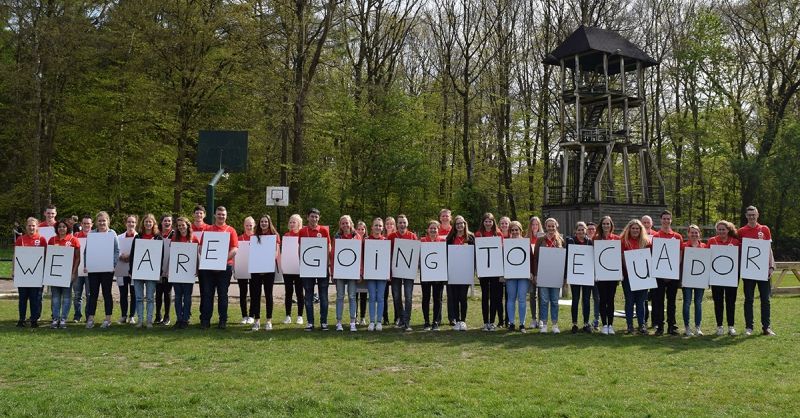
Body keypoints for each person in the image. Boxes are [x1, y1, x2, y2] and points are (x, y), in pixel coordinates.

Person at [738, 205, 776, 336]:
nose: (751, 217)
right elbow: (739, 251)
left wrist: (771, 266)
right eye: (749, 215)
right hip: (748, 271)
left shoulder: (764, 229)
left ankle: (766, 327)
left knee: (765, 299)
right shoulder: (741, 231)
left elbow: (769, 249)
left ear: (757, 215)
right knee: (749, 299)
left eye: (753, 214)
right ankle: (749, 327)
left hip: (764, 271)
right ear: (746, 216)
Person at [198, 206, 238, 329]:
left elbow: (235, 249)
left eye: (223, 214)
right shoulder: (208, 229)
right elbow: (201, 247)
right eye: (219, 214)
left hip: (225, 267)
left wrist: (220, 261)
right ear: (215, 215)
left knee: (222, 294)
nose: (221, 216)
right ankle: (205, 321)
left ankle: (223, 321)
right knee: (207, 294)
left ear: (226, 216)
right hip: (208, 269)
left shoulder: (231, 230)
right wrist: (210, 261)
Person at [125, 213, 163, 328]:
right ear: (143, 223)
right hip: (138, 272)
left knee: (151, 298)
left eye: (150, 222)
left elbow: (160, 256)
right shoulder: (138, 237)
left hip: (152, 272)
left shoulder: (158, 237)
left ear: (154, 223)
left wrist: (159, 272)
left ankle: (149, 321)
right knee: (139, 297)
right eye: (146, 221)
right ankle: (140, 320)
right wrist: (131, 270)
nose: (148, 224)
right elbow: (132, 255)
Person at [84, 211, 120, 329]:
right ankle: (90, 319)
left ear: (108, 221)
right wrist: (86, 264)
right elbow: (86, 251)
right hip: (94, 269)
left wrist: (113, 264)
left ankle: (108, 319)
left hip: (107, 270)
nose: (101, 223)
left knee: (107, 294)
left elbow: (116, 250)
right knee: (92, 294)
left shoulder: (112, 233)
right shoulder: (92, 233)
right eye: (99, 221)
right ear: (96, 222)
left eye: (104, 220)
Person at [651, 210, 683, 336]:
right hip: (659, 276)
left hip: (672, 276)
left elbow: (679, 257)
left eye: (668, 219)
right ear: (661, 220)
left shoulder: (677, 236)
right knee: (659, 301)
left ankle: (672, 326)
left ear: (671, 220)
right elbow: (654, 256)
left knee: (671, 301)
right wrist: (662, 273)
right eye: (664, 218)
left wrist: (671, 272)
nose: (666, 221)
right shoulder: (656, 237)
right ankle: (659, 326)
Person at [299, 208, 331, 331]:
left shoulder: (323, 230)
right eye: (312, 216)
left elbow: (328, 247)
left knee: (323, 295)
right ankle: (310, 322)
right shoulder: (302, 231)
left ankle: (324, 322)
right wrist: (302, 263)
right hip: (308, 269)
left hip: (322, 268)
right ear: (308, 217)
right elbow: (300, 248)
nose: (314, 219)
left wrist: (327, 263)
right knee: (308, 295)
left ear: (319, 218)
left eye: (316, 217)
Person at [532, 218, 565, 334]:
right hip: (543, 275)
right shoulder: (540, 240)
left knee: (555, 301)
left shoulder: (560, 240)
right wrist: (535, 274)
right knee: (544, 300)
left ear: (556, 226)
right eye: (549, 226)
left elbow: (563, 260)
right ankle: (544, 324)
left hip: (556, 276)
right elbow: (535, 259)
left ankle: (555, 324)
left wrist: (563, 276)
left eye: (553, 226)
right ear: (546, 227)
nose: (551, 228)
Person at [707, 220, 740, 336]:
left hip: (731, 276)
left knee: (731, 301)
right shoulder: (712, 241)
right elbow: (706, 258)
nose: (721, 231)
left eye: (723, 229)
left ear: (728, 230)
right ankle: (719, 326)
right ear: (716, 230)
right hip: (716, 277)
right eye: (719, 229)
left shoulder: (735, 242)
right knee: (718, 302)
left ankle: (731, 326)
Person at [14, 217, 47, 328]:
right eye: (29, 225)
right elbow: (15, 255)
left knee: (35, 298)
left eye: (33, 225)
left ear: (37, 226)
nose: (31, 227)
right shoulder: (20, 240)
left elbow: (46, 256)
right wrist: (13, 269)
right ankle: (21, 319)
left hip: (36, 274)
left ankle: (34, 320)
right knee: (22, 298)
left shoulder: (42, 239)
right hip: (23, 274)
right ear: (26, 226)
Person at [48, 218, 80, 329]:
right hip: (54, 274)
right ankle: (55, 318)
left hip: (68, 274)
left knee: (66, 297)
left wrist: (74, 272)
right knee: (55, 297)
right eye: (60, 227)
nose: (62, 229)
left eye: (64, 227)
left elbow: (77, 258)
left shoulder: (73, 240)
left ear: (68, 228)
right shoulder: (52, 240)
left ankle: (63, 319)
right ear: (56, 228)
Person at [250, 215, 281, 331]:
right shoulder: (254, 236)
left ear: (269, 223)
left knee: (268, 295)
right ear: (259, 223)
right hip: (256, 269)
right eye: (262, 221)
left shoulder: (275, 236)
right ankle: (257, 320)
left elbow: (276, 252)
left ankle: (269, 320)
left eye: (266, 221)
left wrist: (267, 262)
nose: (264, 223)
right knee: (255, 295)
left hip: (268, 269)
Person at [388, 214, 418, 331]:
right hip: (395, 271)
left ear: (407, 223)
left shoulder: (412, 236)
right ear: (397, 224)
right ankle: (400, 318)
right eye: (400, 222)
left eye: (404, 222)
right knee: (396, 296)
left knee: (408, 296)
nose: (402, 224)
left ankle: (407, 321)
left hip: (408, 271)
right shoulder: (391, 237)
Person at [620, 219, 650, 335]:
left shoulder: (646, 241)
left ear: (641, 230)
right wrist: (629, 270)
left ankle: (642, 325)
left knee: (641, 302)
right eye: (633, 228)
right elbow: (622, 257)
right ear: (629, 229)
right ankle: (629, 325)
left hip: (642, 277)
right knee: (629, 301)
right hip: (628, 276)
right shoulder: (624, 241)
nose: (635, 230)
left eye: (637, 228)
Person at [474, 212, 503, 331]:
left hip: (495, 269)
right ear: (483, 222)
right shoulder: (478, 234)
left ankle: (492, 321)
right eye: (486, 221)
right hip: (483, 269)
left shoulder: (498, 233)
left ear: (493, 222)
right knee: (485, 296)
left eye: (490, 221)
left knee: (495, 296)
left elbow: (500, 251)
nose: (488, 223)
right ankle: (485, 322)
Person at [446, 215, 474, 331]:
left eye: (461, 223)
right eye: (457, 224)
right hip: (453, 272)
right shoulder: (450, 238)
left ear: (465, 224)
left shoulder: (471, 238)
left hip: (465, 272)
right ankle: (457, 321)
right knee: (455, 297)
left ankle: (463, 321)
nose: (459, 225)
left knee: (463, 297)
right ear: (454, 225)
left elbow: (474, 255)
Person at [171, 217, 199, 329]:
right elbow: (173, 255)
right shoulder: (174, 238)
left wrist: (197, 268)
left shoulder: (194, 238)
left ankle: (186, 319)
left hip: (188, 272)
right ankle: (179, 318)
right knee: (178, 296)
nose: (181, 227)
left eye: (183, 225)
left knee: (187, 296)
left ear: (187, 225)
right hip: (177, 272)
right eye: (179, 226)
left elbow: (197, 255)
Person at [333, 215, 360, 332]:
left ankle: (352, 322)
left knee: (352, 296)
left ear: (351, 224)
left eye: (347, 223)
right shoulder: (337, 237)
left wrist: (360, 272)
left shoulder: (357, 237)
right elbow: (333, 255)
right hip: (339, 272)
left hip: (353, 272)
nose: (345, 225)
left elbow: (360, 256)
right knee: (340, 297)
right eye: (343, 223)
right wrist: (332, 272)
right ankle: (339, 322)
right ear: (340, 225)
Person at [595, 216, 620, 334]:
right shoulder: (596, 239)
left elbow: (619, 257)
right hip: (600, 275)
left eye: (608, 224)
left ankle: (611, 324)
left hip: (613, 275)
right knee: (602, 299)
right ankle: (604, 325)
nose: (606, 226)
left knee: (611, 300)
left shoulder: (616, 239)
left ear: (611, 225)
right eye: (604, 224)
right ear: (601, 225)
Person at [567, 221, 594, 333]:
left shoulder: (590, 242)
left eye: (583, 229)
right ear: (575, 231)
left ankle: (586, 323)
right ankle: (574, 323)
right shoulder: (571, 241)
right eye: (579, 229)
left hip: (587, 275)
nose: (581, 231)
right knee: (575, 299)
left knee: (586, 300)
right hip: (575, 275)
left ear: (586, 231)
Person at [681, 225, 707, 336]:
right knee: (687, 302)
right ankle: (687, 327)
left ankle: (697, 327)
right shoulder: (683, 246)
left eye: (696, 232)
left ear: (699, 234)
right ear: (688, 233)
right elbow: (680, 262)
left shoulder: (704, 247)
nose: (694, 234)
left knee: (698, 303)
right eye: (692, 232)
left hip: (700, 279)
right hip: (686, 279)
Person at [420, 220, 445, 331]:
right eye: (431, 228)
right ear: (427, 229)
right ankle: (426, 322)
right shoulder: (422, 241)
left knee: (437, 298)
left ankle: (435, 322)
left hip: (438, 274)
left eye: (435, 228)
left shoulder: (443, 241)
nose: (433, 230)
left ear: (438, 229)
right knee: (426, 298)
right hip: (425, 274)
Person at [505, 221, 530, 333]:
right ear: (510, 231)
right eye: (512, 230)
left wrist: (531, 272)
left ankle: (522, 324)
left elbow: (531, 258)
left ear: (521, 231)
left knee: (522, 299)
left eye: (517, 230)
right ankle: (511, 322)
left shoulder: (525, 242)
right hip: (510, 275)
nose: (515, 232)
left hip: (523, 275)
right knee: (511, 299)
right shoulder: (506, 243)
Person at [365, 218, 387, 331]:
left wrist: (388, 273)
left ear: (382, 228)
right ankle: (372, 321)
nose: (378, 227)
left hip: (382, 274)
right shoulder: (367, 240)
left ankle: (379, 321)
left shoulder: (385, 240)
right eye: (376, 225)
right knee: (372, 297)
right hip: (370, 273)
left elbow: (388, 259)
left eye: (380, 225)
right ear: (372, 227)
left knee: (380, 297)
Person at [282, 214, 304, 325]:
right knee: (288, 292)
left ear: (299, 223)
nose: (291, 224)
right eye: (290, 222)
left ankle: (300, 316)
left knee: (300, 292)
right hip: (288, 269)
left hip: (299, 268)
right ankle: (288, 315)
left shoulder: (302, 235)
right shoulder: (286, 235)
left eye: (294, 222)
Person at [117, 215, 138, 324]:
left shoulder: (138, 237)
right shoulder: (119, 237)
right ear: (126, 223)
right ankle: (123, 315)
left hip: (134, 269)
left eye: (133, 222)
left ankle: (132, 316)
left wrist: (131, 256)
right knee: (123, 293)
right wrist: (121, 255)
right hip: (121, 268)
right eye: (129, 222)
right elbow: (115, 250)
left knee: (134, 292)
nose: (131, 224)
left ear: (136, 224)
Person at [72, 215, 93, 322]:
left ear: (91, 225)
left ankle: (88, 315)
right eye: (84, 223)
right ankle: (77, 315)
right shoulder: (75, 236)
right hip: (78, 270)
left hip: (90, 271)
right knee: (77, 295)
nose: (86, 225)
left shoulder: (95, 236)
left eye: (88, 223)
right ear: (81, 224)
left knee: (89, 295)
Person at [155, 214, 174, 326]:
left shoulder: (175, 235)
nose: (167, 223)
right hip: (158, 270)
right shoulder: (156, 236)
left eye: (169, 221)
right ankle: (158, 316)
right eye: (165, 221)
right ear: (161, 223)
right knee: (158, 294)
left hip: (170, 269)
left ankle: (167, 316)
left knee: (167, 293)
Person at [237, 217, 256, 325]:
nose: (249, 227)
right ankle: (244, 315)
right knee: (243, 293)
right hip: (242, 268)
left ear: (254, 225)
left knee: (253, 293)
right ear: (244, 225)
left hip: (254, 269)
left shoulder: (257, 238)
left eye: (251, 225)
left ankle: (252, 315)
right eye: (247, 225)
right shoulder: (239, 238)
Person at [527, 216, 544, 329]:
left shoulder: (543, 239)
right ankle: (534, 319)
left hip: (541, 271)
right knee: (532, 295)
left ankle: (541, 319)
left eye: (536, 224)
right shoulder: (526, 238)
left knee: (542, 296)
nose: (534, 226)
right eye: (533, 224)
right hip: (531, 272)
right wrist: (530, 273)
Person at [496, 216, 511, 327]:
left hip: (510, 270)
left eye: (506, 223)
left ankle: (508, 320)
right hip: (499, 270)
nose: (504, 225)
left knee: (509, 297)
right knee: (498, 297)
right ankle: (500, 320)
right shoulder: (496, 237)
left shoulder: (514, 236)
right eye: (502, 223)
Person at [383, 216, 397, 325]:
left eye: (391, 224)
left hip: (395, 270)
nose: (389, 226)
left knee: (396, 295)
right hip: (383, 271)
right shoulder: (382, 238)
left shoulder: (396, 238)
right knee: (384, 295)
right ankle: (385, 318)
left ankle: (397, 317)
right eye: (387, 224)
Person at [586, 221, 600, 329]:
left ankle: (596, 320)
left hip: (597, 275)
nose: (591, 230)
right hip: (585, 275)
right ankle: (586, 321)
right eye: (589, 229)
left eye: (593, 229)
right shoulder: (583, 242)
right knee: (585, 299)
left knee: (597, 298)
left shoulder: (598, 242)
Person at [355, 220, 369, 325]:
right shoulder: (353, 240)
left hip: (365, 272)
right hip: (354, 272)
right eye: (358, 229)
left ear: (365, 230)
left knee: (363, 296)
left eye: (362, 229)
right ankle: (354, 317)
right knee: (354, 295)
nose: (360, 231)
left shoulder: (368, 241)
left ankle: (363, 317)